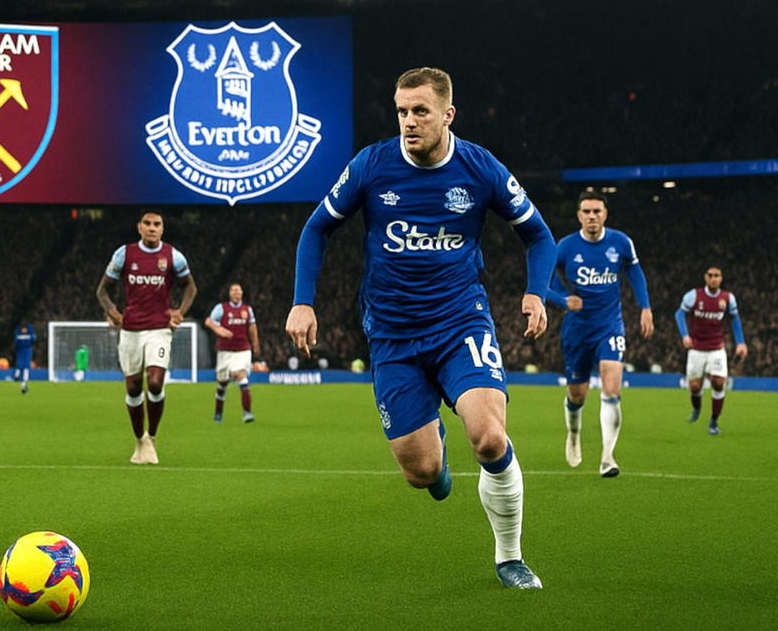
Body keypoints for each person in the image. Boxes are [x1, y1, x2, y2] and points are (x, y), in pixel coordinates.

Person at [286, 67, 555, 590]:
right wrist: (303, 302)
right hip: (392, 336)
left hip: (460, 323)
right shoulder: (372, 164)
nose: (409, 121)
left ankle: (510, 557)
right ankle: (436, 459)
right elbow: (318, 226)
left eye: (421, 111)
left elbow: (539, 236)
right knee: (422, 473)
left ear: (447, 114)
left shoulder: (481, 169)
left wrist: (535, 292)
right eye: (402, 111)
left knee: (489, 436)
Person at [544, 193, 653, 476]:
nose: (592, 216)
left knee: (611, 389)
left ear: (605, 214)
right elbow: (545, 281)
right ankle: (574, 435)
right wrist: (563, 299)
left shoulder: (621, 243)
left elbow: (635, 272)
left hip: (610, 326)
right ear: (578, 215)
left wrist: (645, 307)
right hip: (577, 330)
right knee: (577, 395)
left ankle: (608, 456)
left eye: (596, 211)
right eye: (586, 211)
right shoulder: (566, 246)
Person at [96, 211, 196, 465]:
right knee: (132, 386)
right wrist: (112, 312)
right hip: (130, 330)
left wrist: (180, 312)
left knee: (154, 382)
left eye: (157, 224)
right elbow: (102, 290)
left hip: (159, 329)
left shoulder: (173, 256)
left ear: (162, 229)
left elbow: (190, 287)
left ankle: (152, 435)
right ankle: (139, 440)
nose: (152, 228)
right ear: (139, 228)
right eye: (148, 224)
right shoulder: (124, 254)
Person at [675, 266, 748, 435]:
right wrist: (685, 335)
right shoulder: (694, 295)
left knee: (718, 382)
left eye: (717, 275)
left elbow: (735, 319)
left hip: (716, 348)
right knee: (694, 387)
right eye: (710, 275)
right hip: (696, 349)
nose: (713, 278)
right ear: (705, 277)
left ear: (721, 278)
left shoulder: (728, 298)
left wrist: (741, 342)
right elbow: (679, 314)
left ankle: (714, 422)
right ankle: (697, 409)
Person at [206, 283, 259, 423]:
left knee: (239, 374)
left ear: (242, 293)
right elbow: (209, 321)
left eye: (238, 290)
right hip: (225, 350)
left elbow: (252, 327)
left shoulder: (247, 310)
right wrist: (219, 330)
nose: (236, 293)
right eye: (233, 290)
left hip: (242, 349)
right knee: (223, 382)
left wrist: (255, 344)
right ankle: (218, 414)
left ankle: (247, 413)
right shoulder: (221, 308)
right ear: (229, 293)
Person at [12, 321, 36, 393]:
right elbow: (34, 339)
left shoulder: (18, 331)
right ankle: (24, 385)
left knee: (21, 366)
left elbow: (15, 340)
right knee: (26, 368)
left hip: (20, 350)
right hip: (27, 350)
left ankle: (17, 375)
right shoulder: (29, 330)